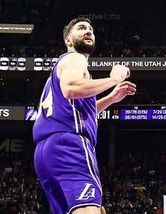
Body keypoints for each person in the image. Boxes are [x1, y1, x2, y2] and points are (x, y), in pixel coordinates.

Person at [33, 18, 136, 214]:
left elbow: (78, 112)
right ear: (68, 40)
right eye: (81, 28)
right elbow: (71, 89)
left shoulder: (58, 72)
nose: (88, 31)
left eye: (91, 29)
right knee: (90, 209)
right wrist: (114, 78)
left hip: (46, 152)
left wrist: (111, 98)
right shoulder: (75, 59)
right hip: (70, 145)